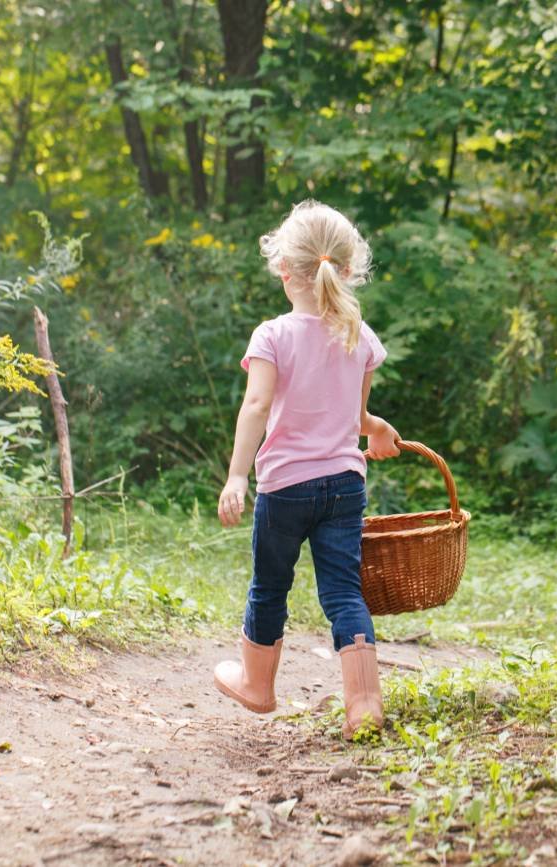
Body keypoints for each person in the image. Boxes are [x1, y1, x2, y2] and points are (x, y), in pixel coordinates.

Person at [213, 200, 400, 739]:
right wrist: (379, 430)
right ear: (346, 270)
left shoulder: (272, 335)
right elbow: (355, 417)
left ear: (283, 269)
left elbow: (255, 408)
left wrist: (236, 476)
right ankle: (363, 705)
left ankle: (257, 686)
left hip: (285, 488)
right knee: (344, 591)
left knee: (270, 586)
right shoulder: (358, 336)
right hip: (345, 485)